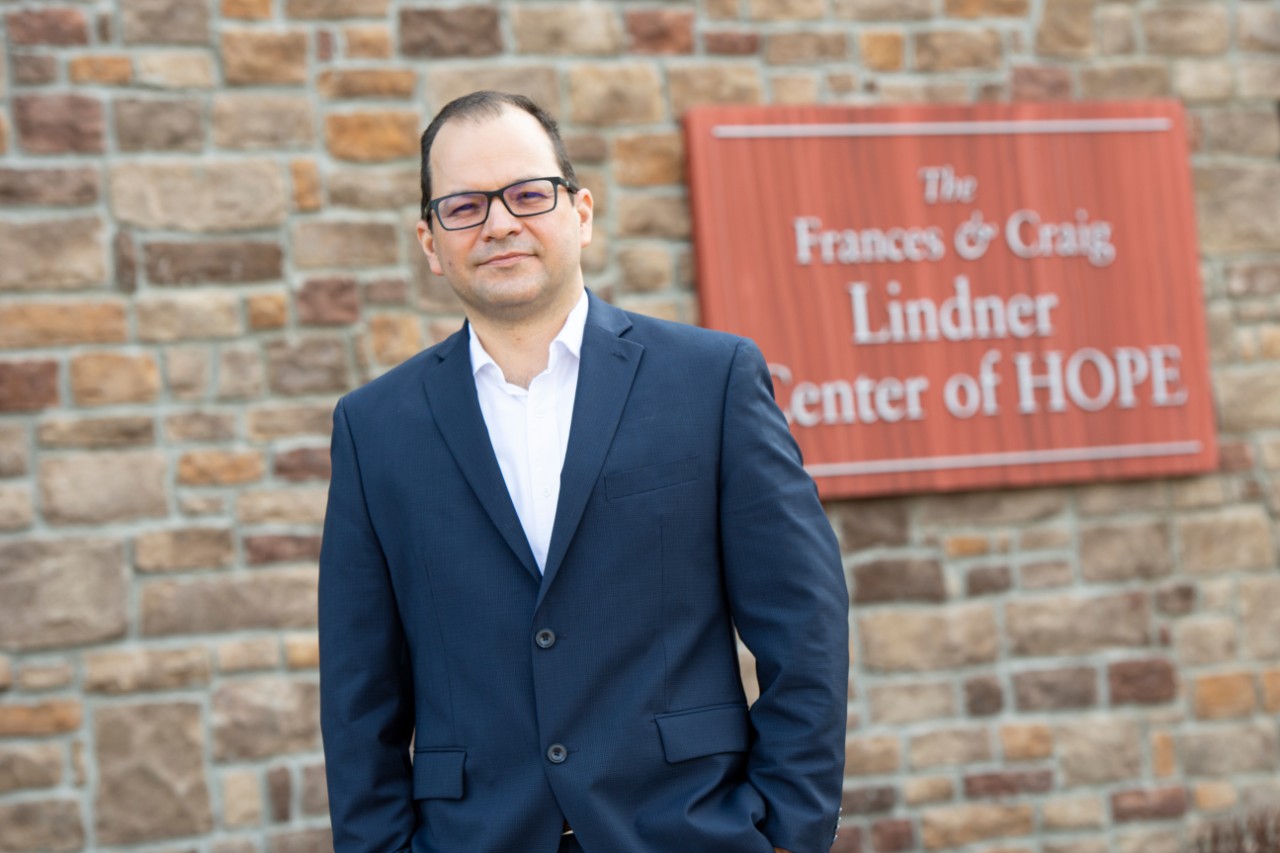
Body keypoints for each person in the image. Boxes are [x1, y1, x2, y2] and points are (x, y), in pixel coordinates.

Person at [318, 90, 849, 853]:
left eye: (528, 194)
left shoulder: (711, 382)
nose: (500, 223)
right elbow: (356, 697)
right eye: (463, 206)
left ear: (582, 212)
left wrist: (788, 838)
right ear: (431, 242)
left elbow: (806, 631)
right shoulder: (374, 430)